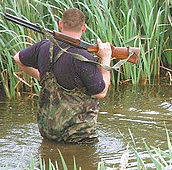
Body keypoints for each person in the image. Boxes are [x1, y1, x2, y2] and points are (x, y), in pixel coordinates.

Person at [13, 8, 112, 143]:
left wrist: (42, 78)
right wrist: (106, 59)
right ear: (84, 28)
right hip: (79, 138)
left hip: (48, 133)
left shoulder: (44, 46)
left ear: (60, 24)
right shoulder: (83, 57)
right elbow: (101, 92)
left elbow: (18, 58)